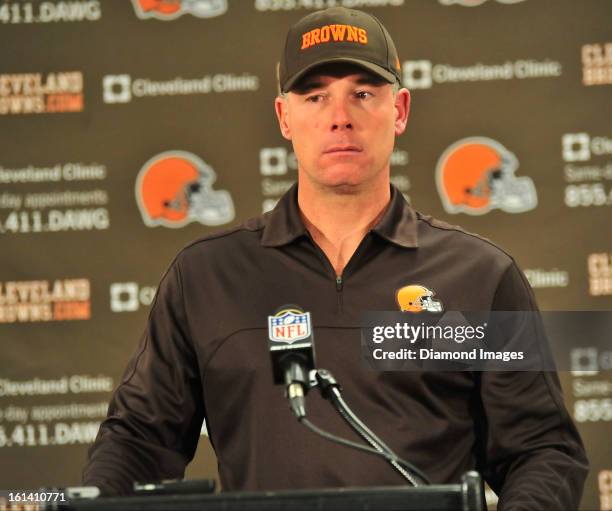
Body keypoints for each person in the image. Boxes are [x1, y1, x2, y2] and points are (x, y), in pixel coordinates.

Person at [83, 6, 589, 509]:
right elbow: (138, 440)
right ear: (284, 117)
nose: (340, 117)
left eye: (363, 94)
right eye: (315, 95)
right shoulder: (206, 276)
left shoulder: (480, 276)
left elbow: (543, 451)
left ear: (401, 110)